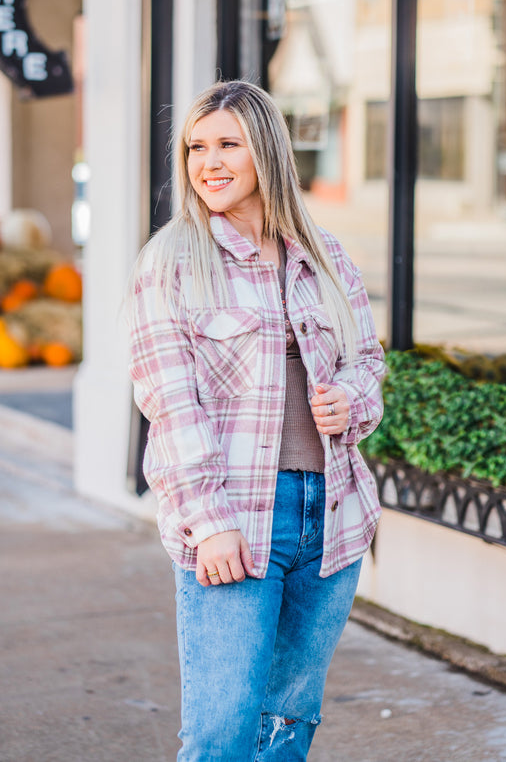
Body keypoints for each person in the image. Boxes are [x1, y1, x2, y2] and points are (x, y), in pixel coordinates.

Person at [127, 79, 386, 761]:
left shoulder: (324, 256)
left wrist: (351, 403)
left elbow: (369, 364)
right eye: (195, 148)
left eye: (227, 144)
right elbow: (171, 406)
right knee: (222, 731)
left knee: (289, 723)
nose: (207, 162)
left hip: (331, 518)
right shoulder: (172, 264)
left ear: (266, 151)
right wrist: (208, 524)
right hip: (237, 517)